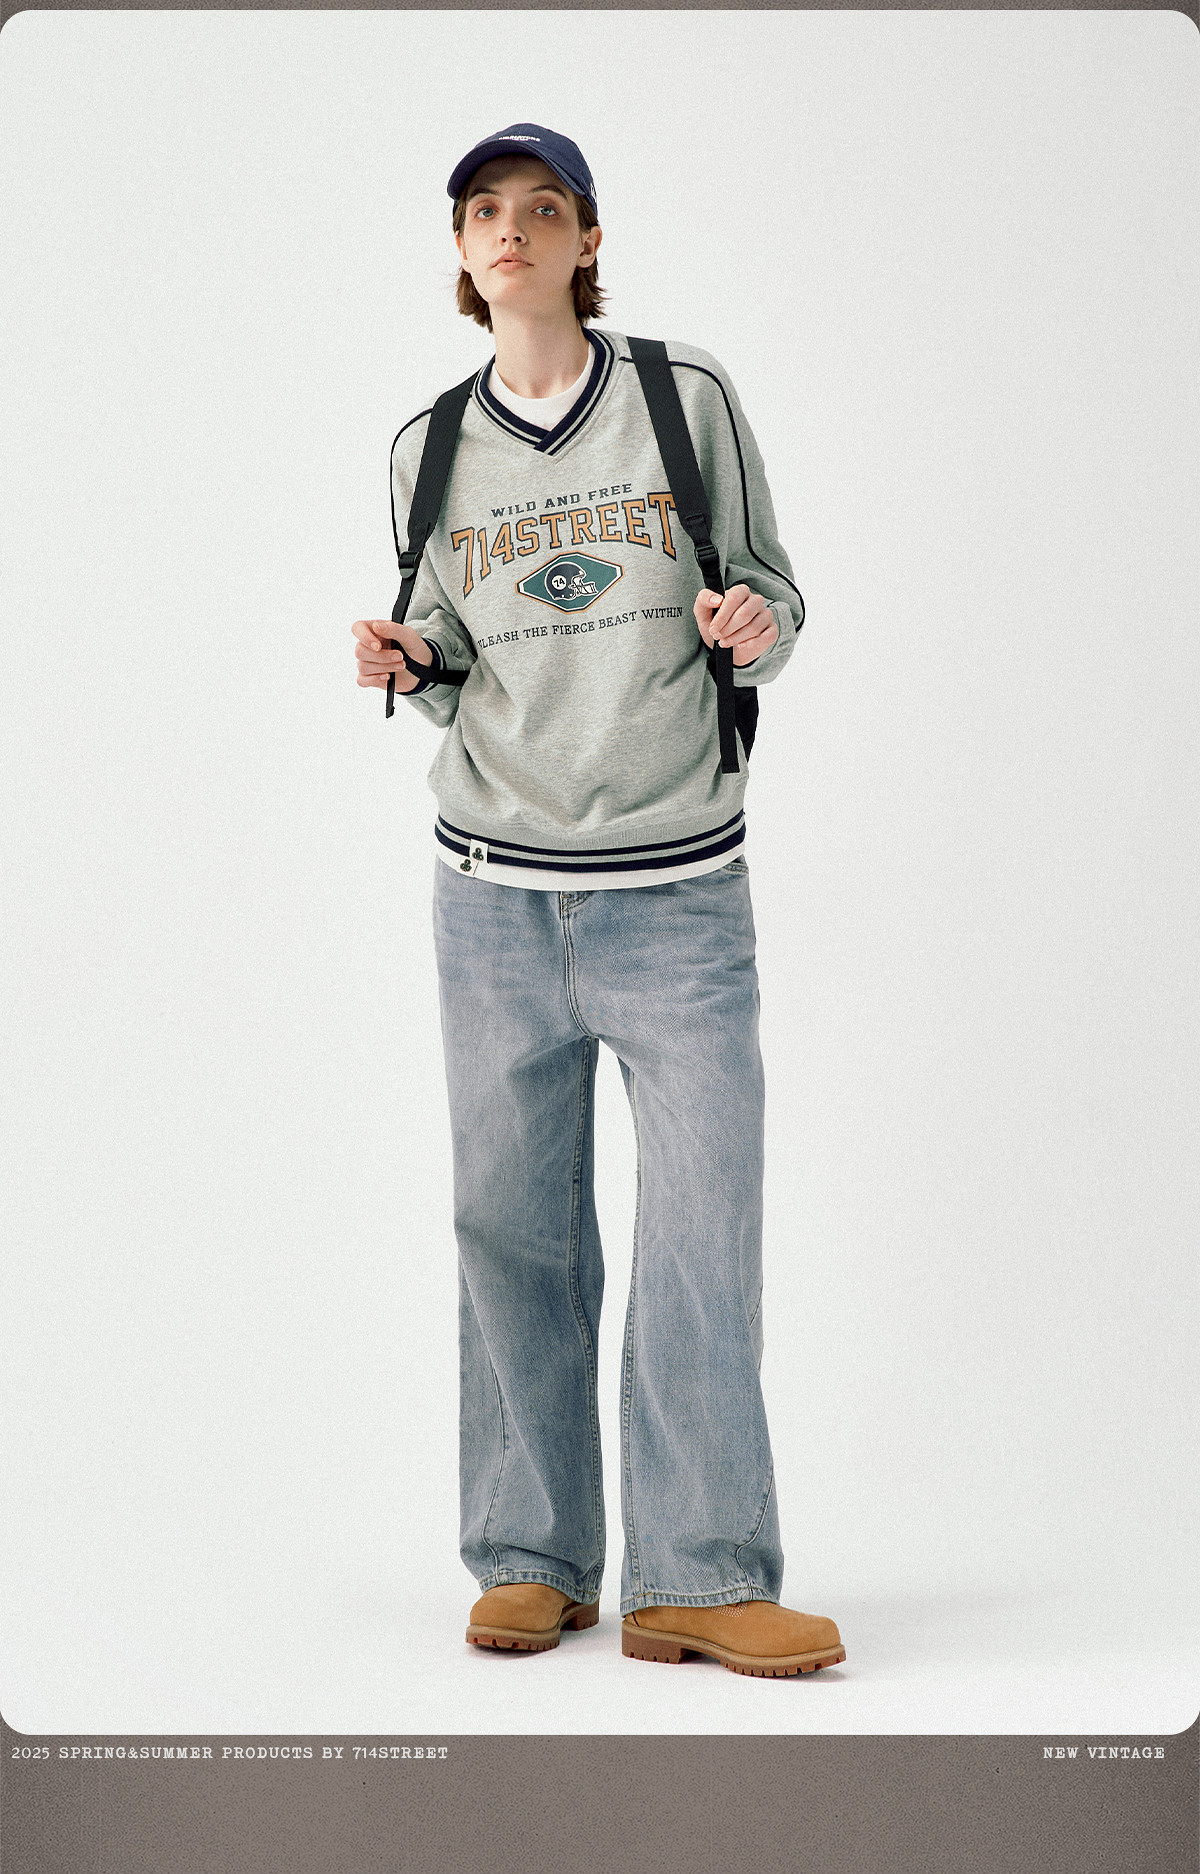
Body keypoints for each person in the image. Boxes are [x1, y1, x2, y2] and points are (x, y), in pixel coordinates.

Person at [351, 125, 845, 1679]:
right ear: (461, 252)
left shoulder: (682, 400)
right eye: (485, 211)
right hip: (490, 901)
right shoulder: (427, 448)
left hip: (677, 894)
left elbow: (773, 596)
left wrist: (753, 623)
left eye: (542, 207)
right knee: (509, 1226)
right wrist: (413, 661)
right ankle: (532, 1555)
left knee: (702, 1231)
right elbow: (452, 648)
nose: (512, 229)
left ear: (587, 240)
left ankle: (697, 1573)